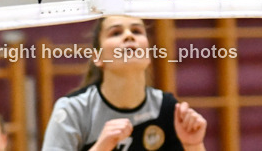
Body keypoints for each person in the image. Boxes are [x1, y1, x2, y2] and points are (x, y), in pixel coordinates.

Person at [41, 16, 207, 151]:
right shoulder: (73, 110)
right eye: (115, 33)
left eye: (137, 30)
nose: (129, 36)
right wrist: (102, 147)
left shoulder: (167, 108)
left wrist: (193, 145)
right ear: (98, 57)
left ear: (148, 55)